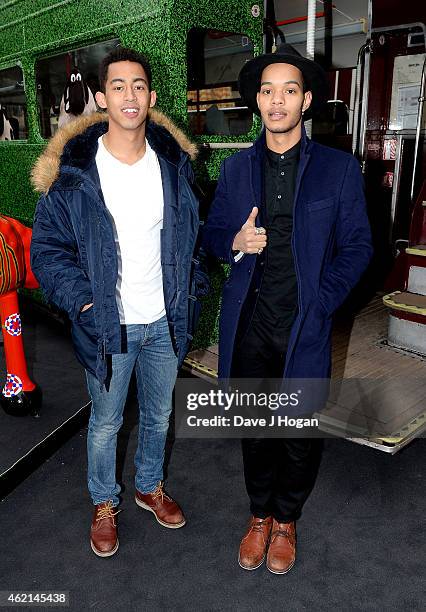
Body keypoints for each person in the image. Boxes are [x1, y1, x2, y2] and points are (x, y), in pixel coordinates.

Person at [30, 47, 207, 557]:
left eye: (139, 86)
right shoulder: (75, 174)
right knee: (106, 421)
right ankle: (105, 501)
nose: (129, 95)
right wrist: (84, 304)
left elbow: (191, 236)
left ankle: (149, 486)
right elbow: (48, 249)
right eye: (119, 86)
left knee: (156, 416)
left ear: (151, 98)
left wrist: (192, 282)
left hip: (164, 321)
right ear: (102, 97)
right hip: (108, 324)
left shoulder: (172, 165)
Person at [202, 44, 372, 574]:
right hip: (251, 325)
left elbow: (359, 247)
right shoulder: (233, 172)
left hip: (305, 326)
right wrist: (235, 240)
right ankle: (258, 516)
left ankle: (286, 520)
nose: (278, 101)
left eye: (289, 90)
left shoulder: (339, 172)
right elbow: (210, 239)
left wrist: (322, 304)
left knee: (298, 433)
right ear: (257, 100)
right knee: (256, 430)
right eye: (268, 90)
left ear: (306, 101)